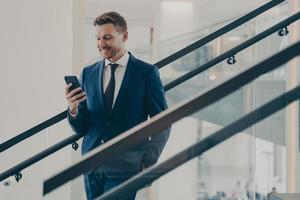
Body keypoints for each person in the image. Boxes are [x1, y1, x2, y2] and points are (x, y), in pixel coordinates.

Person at [64, 11, 170, 200]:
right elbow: (83, 126)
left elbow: (162, 122)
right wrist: (73, 108)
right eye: (97, 38)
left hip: (127, 167)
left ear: (125, 36)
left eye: (107, 37)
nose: (101, 44)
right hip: (92, 165)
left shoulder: (146, 73)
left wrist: (148, 161)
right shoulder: (88, 73)